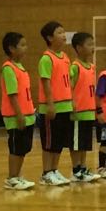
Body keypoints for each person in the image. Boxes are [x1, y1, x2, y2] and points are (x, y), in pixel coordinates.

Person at [37, 21, 74, 186]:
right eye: (59, 32)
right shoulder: (46, 58)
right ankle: (46, 173)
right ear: (50, 38)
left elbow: (68, 81)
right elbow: (46, 83)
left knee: (59, 142)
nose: (63, 35)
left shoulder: (65, 57)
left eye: (64, 32)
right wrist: (50, 104)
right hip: (52, 107)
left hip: (65, 106)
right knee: (49, 143)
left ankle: (54, 169)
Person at [0, 32, 36, 190]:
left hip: (27, 114)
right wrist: (19, 114)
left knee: (23, 148)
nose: (25, 48)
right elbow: (12, 94)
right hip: (15, 116)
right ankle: (12, 178)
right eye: (22, 45)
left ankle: (18, 175)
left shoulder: (21, 68)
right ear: (11, 49)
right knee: (15, 148)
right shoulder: (8, 68)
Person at [68, 32, 101, 182]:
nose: (92, 47)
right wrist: (72, 102)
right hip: (78, 112)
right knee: (76, 143)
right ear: (79, 48)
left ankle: (83, 167)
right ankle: (76, 170)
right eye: (89, 44)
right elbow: (69, 87)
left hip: (89, 111)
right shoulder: (75, 67)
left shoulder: (92, 67)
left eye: (93, 44)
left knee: (85, 143)